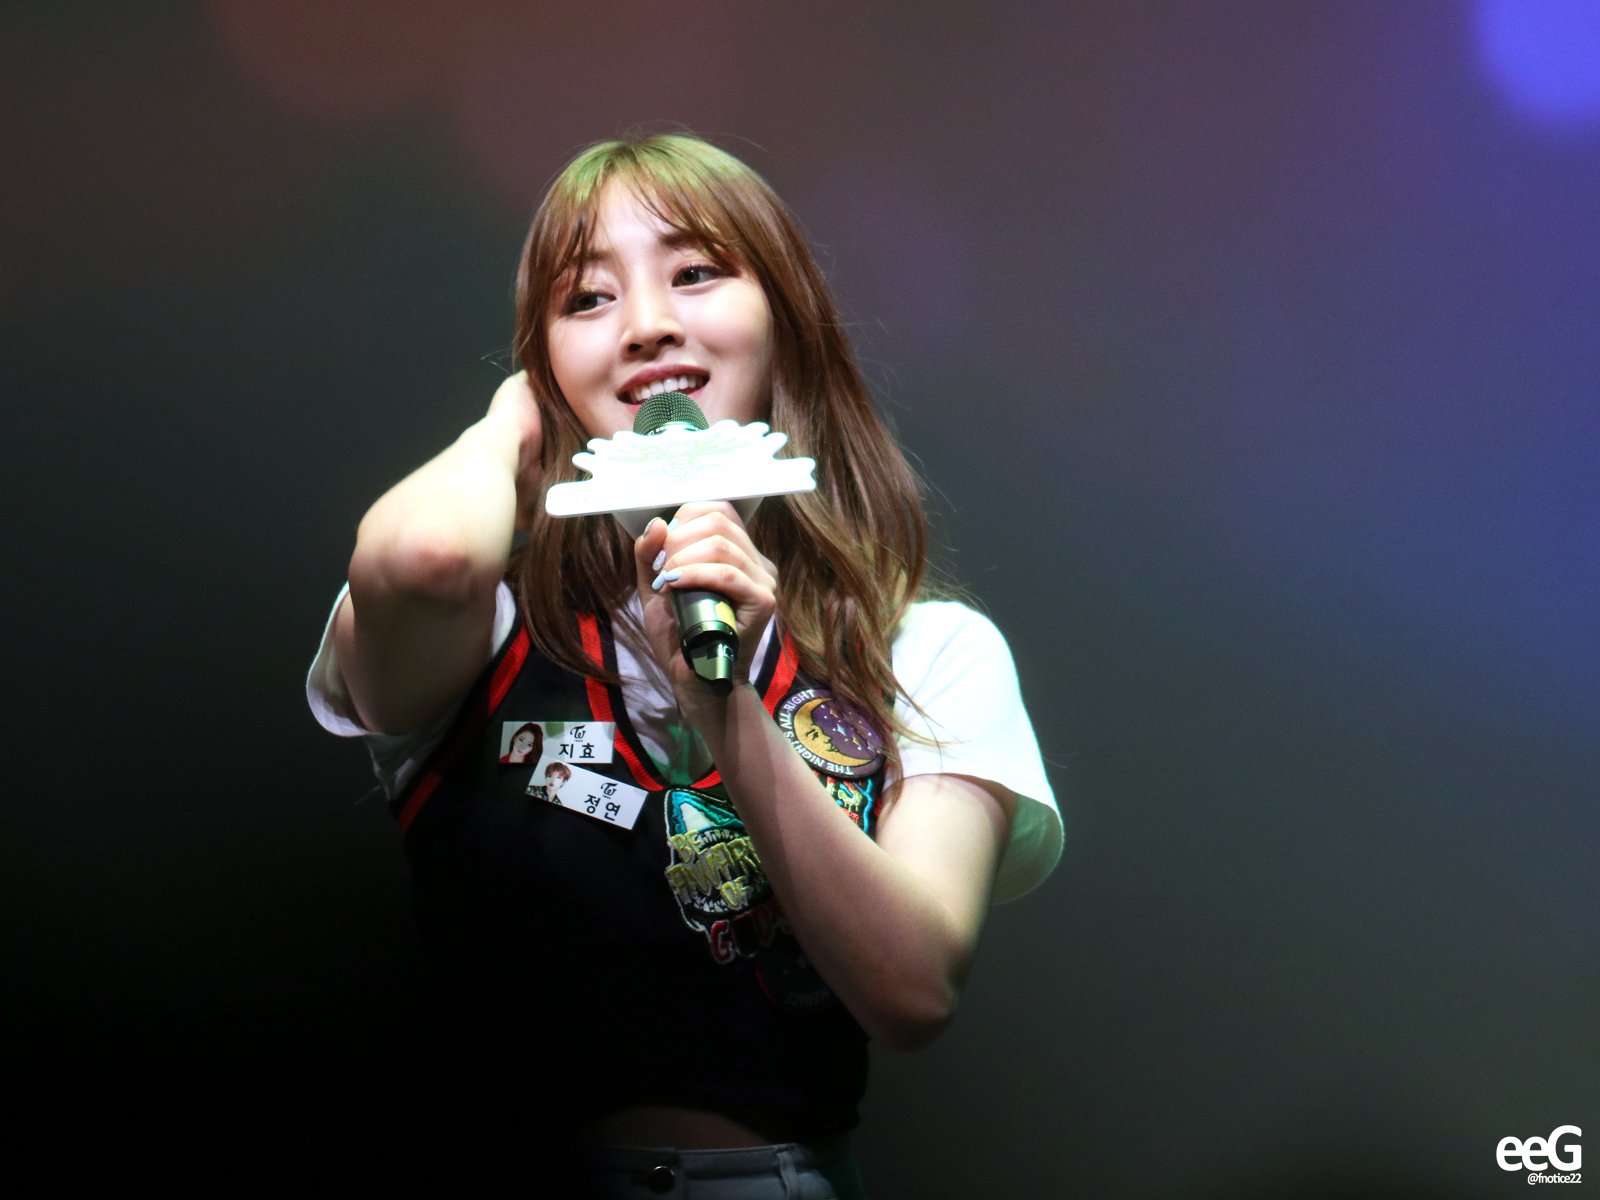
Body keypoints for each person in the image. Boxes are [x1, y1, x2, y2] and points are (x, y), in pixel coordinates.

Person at [307, 133, 1061, 1198]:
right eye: (586, 300)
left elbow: (912, 994)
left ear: (784, 318)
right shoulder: (489, 619)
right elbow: (422, 558)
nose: (647, 324)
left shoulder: (923, 649)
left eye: (697, 272)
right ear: (547, 365)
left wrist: (729, 709)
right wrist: (511, 421)